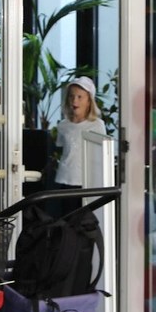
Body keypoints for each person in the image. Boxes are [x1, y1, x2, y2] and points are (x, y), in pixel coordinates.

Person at [51, 77, 106, 212]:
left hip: (86, 182)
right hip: (64, 180)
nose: (74, 101)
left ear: (89, 101)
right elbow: (62, 148)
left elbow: (102, 155)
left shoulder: (97, 125)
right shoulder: (63, 125)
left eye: (80, 97)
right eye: (72, 96)